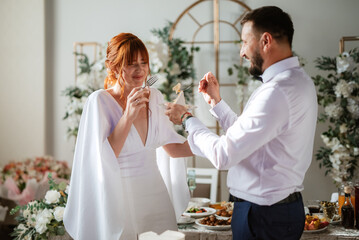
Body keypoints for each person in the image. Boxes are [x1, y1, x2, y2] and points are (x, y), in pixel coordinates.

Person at [165, 6, 317, 240]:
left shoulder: (276, 91)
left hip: (264, 216)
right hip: (275, 211)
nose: (241, 53)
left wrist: (186, 119)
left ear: (265, 41)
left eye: (245, 42)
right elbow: (250, 138)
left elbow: (224, 155)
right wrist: (216, 103)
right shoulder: (297, 82)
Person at [64, 33, 193, 240]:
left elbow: (173, 149)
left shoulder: (155, 97)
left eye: (144, 62)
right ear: (114, 67)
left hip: (156, 197)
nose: (140, 69)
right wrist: (128, 115)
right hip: (120, 198)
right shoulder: (99, 101)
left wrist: (211, 139)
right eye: (132, 64)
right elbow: (102, 157)